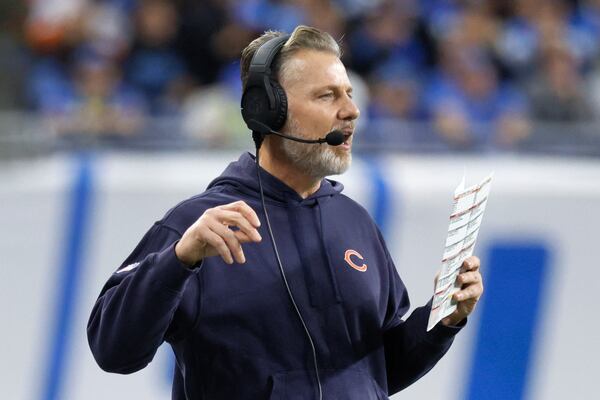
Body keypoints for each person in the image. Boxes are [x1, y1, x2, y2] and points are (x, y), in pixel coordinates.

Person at [87, 25, 484, 400]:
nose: (351, 111)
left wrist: (442, 318)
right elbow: (114, 351)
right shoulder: (200, 225)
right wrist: (177, 261)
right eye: (327, 96)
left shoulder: (355, 222)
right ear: (267, 109)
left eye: (349, 93)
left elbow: (378, 373)